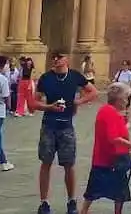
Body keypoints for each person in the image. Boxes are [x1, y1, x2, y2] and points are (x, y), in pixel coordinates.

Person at [34, 51, 99, 214]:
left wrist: (79, 101)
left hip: (66, 127)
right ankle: (44, 202)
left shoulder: (75, 76)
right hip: (48, 126)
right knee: (45, 164)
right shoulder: (46, 78)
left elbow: (93, 92)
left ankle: (71, 200)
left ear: (67, 60)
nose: (56, 60)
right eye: (54, 58)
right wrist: (49, 107)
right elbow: (34, 102)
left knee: (69, 165)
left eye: (59, 57)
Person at [81, 83, 131, 214]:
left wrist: (125, 121)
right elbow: (113, 138)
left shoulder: (113, 112)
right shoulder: (108, 112)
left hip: (115, 159)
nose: (127, 101)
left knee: (119, 191)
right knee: (95, 190)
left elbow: (120, 131)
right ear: (118, 99)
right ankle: (84, 211)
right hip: (107, 159)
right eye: (126, 98)